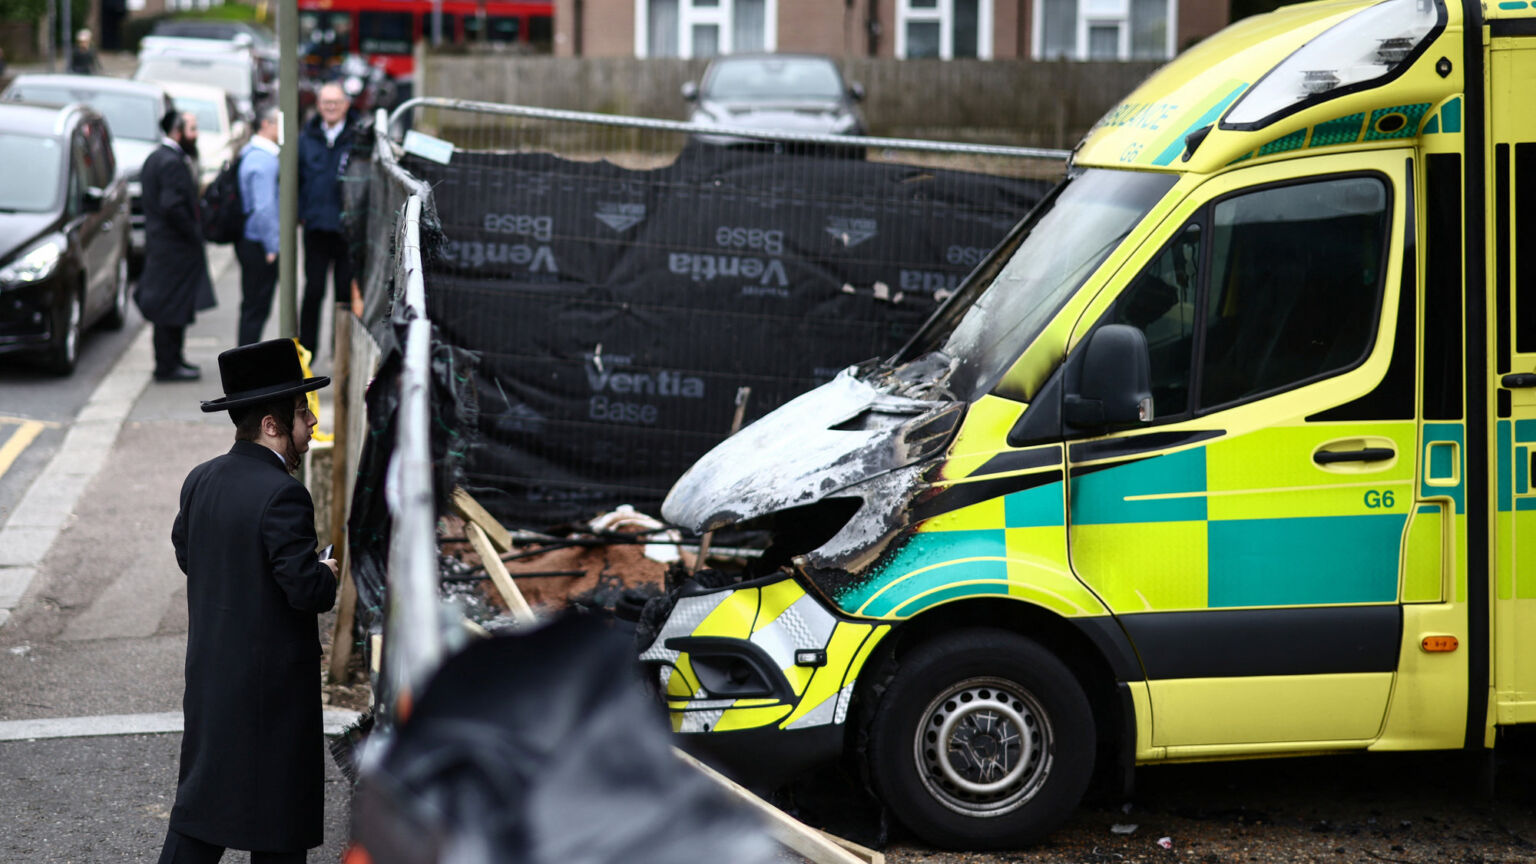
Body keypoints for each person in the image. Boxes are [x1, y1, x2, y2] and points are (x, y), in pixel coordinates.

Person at [157, 339, 339, 864]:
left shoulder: (201, 479)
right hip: (274, 694)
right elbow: (306, 590)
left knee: (201, 814)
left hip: (213, 680)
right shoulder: (284, 493)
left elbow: (187, 553)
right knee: (278, 827)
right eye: (303, 415)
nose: (312, 428)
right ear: (271, 424)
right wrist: (325, 570)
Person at [136, 110, 214, 382]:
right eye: (192, 129)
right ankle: (167, 366)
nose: (196, 134)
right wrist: (193, 233)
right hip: (174, 250)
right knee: (171, 308)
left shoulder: (157, 157)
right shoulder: (171, 163)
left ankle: (172, 360)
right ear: (177, 132)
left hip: (164, 246)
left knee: (171, 307)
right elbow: (172, 206)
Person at [297, 82, 357, 355]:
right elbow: (294, 178)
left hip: (346, 231)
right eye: (325, 102)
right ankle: (307, 352)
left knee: (344, 294)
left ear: (346, 104)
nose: (330, 107)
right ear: (318, 105)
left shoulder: (357, 137)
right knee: (313, 291)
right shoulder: (306, 138)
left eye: (336, 102)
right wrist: (301, 214)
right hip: (316, 228)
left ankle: (340, 352)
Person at [237, 107, 281, 346]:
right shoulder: (264, 161)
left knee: (251, 305)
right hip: (259, 243)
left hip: (251, 239)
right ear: (266, 124)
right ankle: (245, 363)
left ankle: (245, 359)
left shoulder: (250, 153)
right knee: (256, 307)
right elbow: (263, 208)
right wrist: (272, 247)